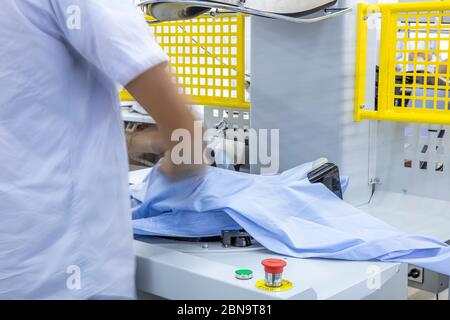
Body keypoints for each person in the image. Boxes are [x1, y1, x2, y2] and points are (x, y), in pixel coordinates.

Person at [0, 0, 204, 299]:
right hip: (64, 265)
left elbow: (28, 119)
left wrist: (139, 143)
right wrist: (184, 155)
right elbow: (187, 137)